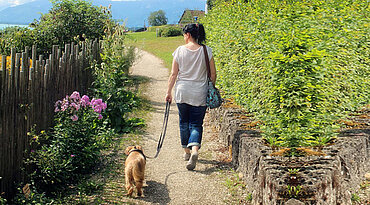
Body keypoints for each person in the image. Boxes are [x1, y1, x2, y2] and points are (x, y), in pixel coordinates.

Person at [165, 23, 217, 170]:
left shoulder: (179, 51)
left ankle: (186, 152)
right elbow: (213, 73)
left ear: (188, 35)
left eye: (184, 34)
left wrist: (168, 91)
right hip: (199, 93)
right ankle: (194, 149)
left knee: (184, 122)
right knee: (196, 123)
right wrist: (210, 87)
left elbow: (173, 74)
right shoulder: (207, 50)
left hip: (182, 92)